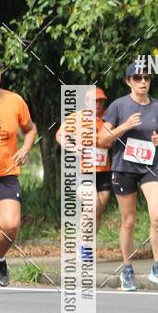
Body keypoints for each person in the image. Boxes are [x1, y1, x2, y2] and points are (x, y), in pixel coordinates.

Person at [97, 64, 158, 291]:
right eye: (137, 78)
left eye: (146, 78)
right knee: (128, 220)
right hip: (124, 168)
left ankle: (157, 266)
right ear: (128, 81)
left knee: (157, 215)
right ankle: (127, 269)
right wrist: (125, 126)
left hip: (150, 167)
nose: (143, 82)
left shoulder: (157, 106)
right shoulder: (119, 106)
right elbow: (102, 139)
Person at [0, 54, 37, 286]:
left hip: (6, 173)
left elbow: (29, 129)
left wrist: (26, 148)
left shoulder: (15, 100)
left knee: (10, 225)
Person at [56, 87, 112, 263]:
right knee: (91, 204)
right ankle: (84, 247)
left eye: (100, 101)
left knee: (99, 208)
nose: (98, 104)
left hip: (103, 169)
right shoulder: (77, 117)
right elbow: (60, 135)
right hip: (83, 169)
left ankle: (87, 242)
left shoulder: (109, 116)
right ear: (86, 102)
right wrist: (74, 147)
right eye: (94, 101)